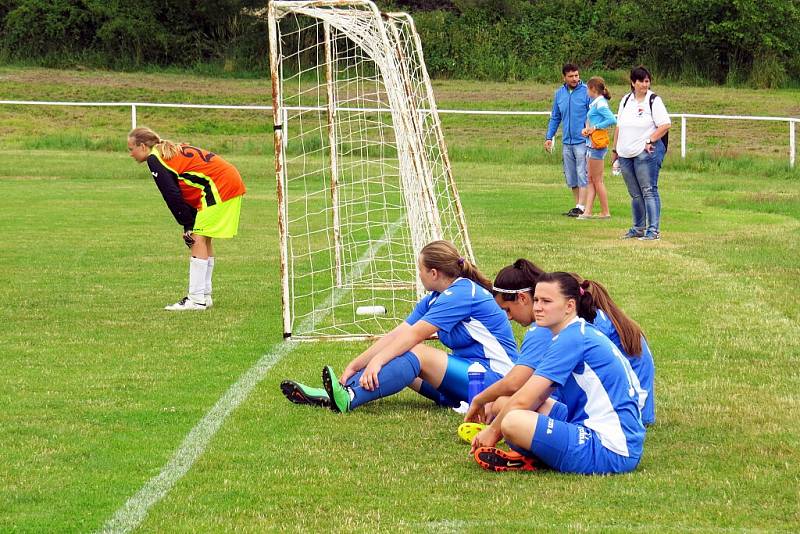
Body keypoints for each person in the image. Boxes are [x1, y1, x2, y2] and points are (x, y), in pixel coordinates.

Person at [280, 240, 520, 413]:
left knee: (414, 353)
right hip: (469, 379)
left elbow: (415, 336)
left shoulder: (462, 293)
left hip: (497, 381)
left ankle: (349, 398)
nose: (419, 275)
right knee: (402, 363)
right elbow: (398, 334)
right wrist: (356, 365)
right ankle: (339, 391)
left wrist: (378, 361)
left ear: (434, 273)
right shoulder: (434, 299)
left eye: (420, 270)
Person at [470, 272, 647, 475]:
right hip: (596, 426)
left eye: (546, 301)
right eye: (536, 300)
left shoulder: (572, 339)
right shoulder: (575, 332)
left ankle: (542, 456)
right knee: (505, 405)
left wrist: (492, 432)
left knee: (512, 422)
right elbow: (536, 395)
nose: (537, 307)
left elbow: (523, 400)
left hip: (611, 448)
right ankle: (544, 453)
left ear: (570, 306)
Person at [127, 127, 246, 310]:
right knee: (203, 238)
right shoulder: (165, 151)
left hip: (219, 185)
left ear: (142, 146)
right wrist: (188, 224)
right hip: (227, 180)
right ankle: (204, 295)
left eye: (131, 149)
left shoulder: (155, 158)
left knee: (198, 237)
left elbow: (172, 195)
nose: (130, 154)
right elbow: (186, 185)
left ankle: (196, 299)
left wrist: (188, 224)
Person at [612, 66, 671, 240]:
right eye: (641, 81)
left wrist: (650, 140)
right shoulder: (625, 101)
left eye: (647, 81)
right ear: (633, 82)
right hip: (625, 153)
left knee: (648, 190)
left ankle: (653, 230)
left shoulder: (653, 100)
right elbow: (619, 126)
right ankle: (638, 227)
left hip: (645, 153)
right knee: (635, 193)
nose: (645, 84)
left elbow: (665, 125)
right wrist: (615, 150)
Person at [544, 63, 591, 217]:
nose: (574, 79)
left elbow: (593, 115)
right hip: (567, 142)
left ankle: (582, 207)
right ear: (564, 77)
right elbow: (556, 117)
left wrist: (591, 133)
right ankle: (577, 205)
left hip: (583, 141)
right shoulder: (559, 94)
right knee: (571, 176)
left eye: (576, 75)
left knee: (582, 173)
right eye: (571, 76)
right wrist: (549, 137)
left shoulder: (586, 92)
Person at [578, 76, 616, 220]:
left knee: (597, 179)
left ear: (592, 89)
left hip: (597, 145)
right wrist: (587, 130)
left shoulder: (600, 103)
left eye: (588, 88)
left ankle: (605, 211)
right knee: (591, 178)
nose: (587, 91)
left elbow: (612, 119)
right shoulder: (596, 103)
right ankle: (587, 211)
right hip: (591, 142)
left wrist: (595, 128)